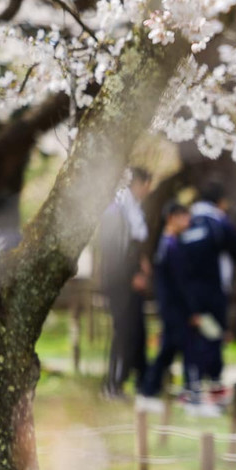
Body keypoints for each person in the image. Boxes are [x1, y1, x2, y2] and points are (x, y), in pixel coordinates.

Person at [182, 182, 236, 405]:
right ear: (220, 201)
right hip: (213, 289)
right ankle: (213, 386)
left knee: (193, 335)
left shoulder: (185, 219)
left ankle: (190, 386)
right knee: (213, 334)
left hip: (187, 290)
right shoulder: (218, 221)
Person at [96, 167, 153, 398]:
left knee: (136, 331)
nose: (147, 191)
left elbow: (133, 246)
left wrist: (142, 263)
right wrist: (132, 275)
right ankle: (112, 384)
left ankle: (137, 381)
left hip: (131, 279)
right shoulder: (117, 211)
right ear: (136, 183)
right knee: (123, 332)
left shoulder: (133, 210)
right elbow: (114, 252)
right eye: (145, 185)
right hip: (121, 282)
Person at [136, 202, 196, 410]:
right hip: (174, 308)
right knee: (180, 350)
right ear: (172, 217)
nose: (188, 222)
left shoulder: (171, 243)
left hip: (173, 307)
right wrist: (190, 308)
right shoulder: (169, 246)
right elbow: (178, 282)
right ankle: (185, 395)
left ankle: (151, 391)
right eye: (184, 217)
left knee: (170, 351)